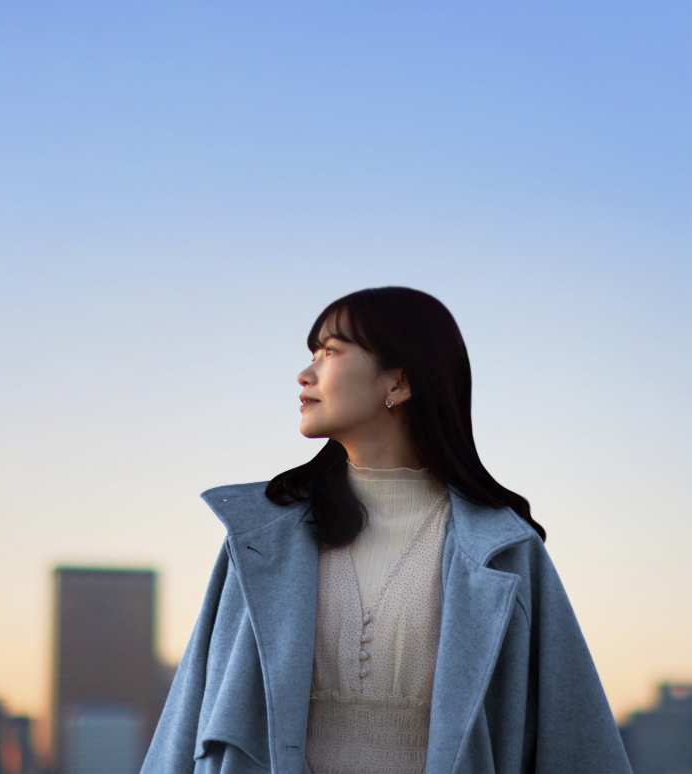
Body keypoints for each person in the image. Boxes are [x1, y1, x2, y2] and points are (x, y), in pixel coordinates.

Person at [141, 287, 630, 774]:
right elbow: (189, 720)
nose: (304, 373)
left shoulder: (504, 551)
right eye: (312, 353)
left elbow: (576, 743)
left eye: (330, 352)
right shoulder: (260, 536)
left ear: (397, 384)